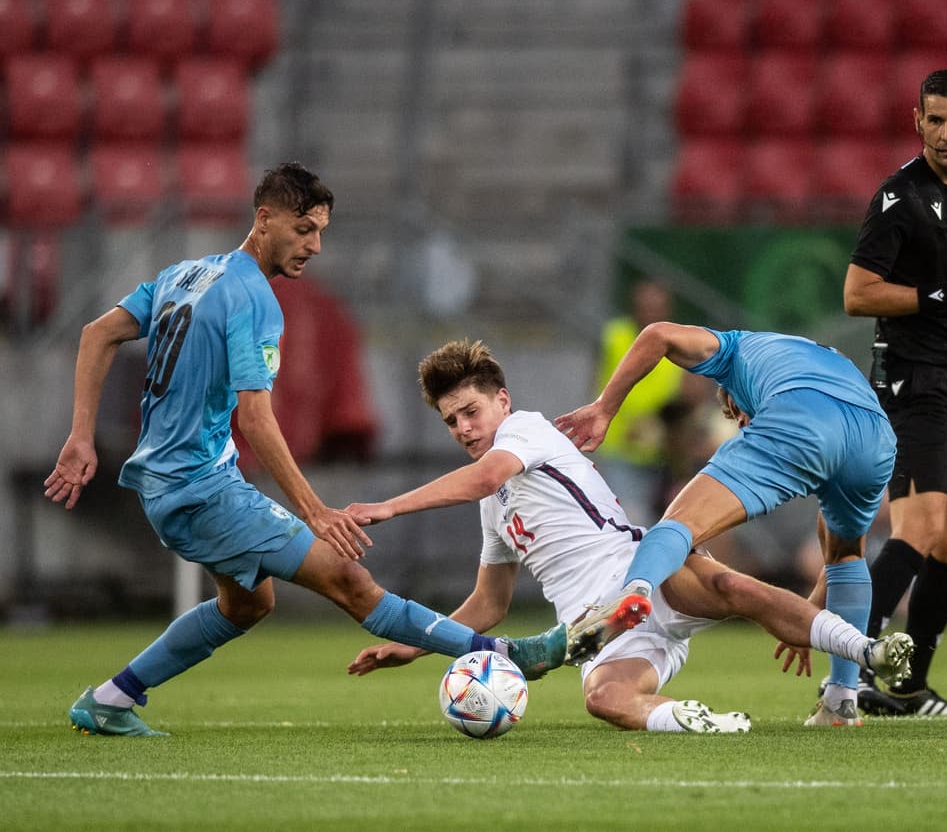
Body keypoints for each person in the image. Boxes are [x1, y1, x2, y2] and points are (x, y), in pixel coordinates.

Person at [43, 163, 567, 737]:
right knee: (350, 580)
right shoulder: (254, 299)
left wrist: (80, 436)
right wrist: (315, 511)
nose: (314, 246)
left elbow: (98, 333)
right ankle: (508, 654)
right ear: (264, 218)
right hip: (200, 488)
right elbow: (255, 417)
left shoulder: (185, 274)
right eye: (303, 229)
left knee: (247, 605)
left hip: (171, 483)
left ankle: (110, 700)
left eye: (320, 231)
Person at [343, 339, 913, 732]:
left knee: (732, 587)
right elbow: (489, 603)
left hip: (637, 571)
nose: (464, 428)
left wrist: (389, 506)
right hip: (594, 629)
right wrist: (414, 646)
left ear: (503, 402)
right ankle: (695, 720)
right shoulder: (493, 506)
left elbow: (485, 475)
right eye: (451, 421)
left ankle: (868, 651)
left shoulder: (526, 431)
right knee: (604, 700)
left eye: (471, 411)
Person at [554, 324, 915, 726]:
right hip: (874, 437)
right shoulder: (806, 353)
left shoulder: (731, 349)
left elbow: (657, 335)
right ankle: (841, 700)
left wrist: (604, 408)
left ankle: (632, 595)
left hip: (800, 413)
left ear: (728, 391)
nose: (742, 424)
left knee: (679, 524)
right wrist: (809, 617)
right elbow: (837, 560)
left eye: (736, 414)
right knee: (848, 555)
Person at [841, 69, 947, 716]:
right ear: (917, 121)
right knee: (918, 529)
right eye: (934, 120)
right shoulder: (898, 198)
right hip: (910, 378)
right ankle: (848, 672)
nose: (946, 134)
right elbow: (857, 294)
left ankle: (909, 684)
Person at [594, 279, 687, 523]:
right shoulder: (615, 336)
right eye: (645, 307)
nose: (650, 314)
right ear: (634, 308)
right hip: (619, 447)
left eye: (657, 308)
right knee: (627, 518)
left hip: (662, 453)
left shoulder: (679, 344)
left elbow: (683, 395)